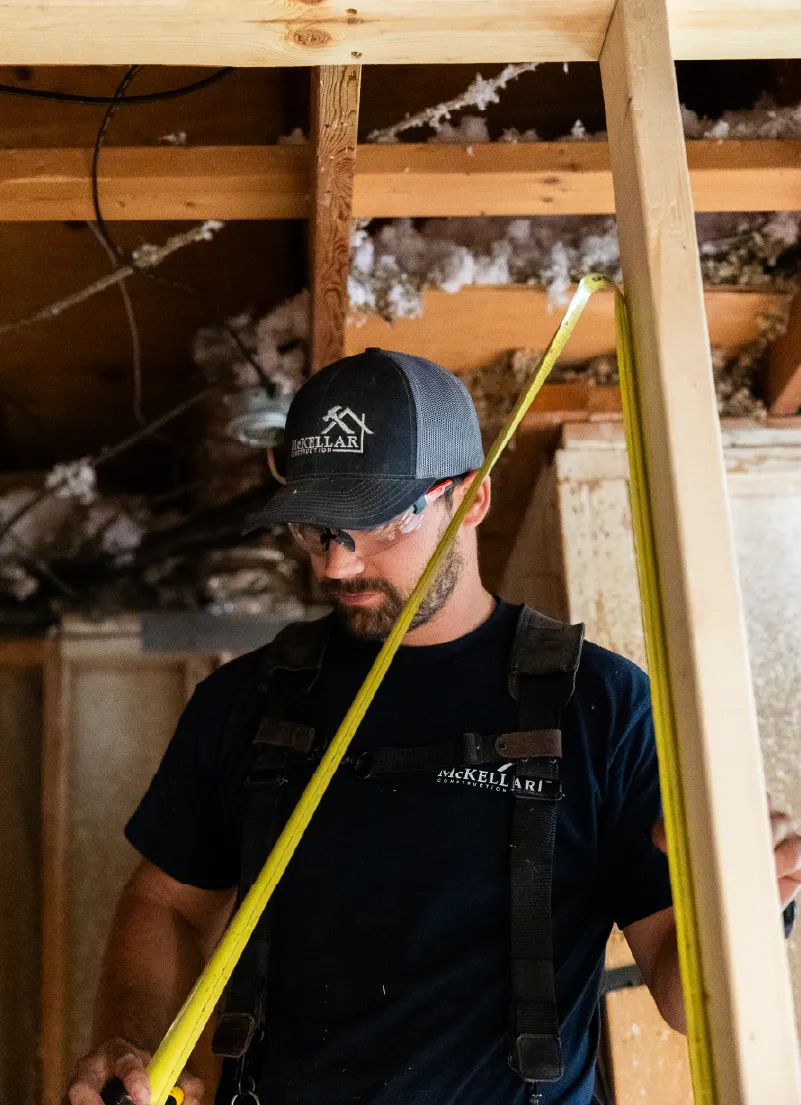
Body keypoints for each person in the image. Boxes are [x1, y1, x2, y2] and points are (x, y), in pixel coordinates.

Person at [67, 349, 801, 1105]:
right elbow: (167, 902)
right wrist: (130, 1035)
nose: (337, 564)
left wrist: (740, 912)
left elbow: (686, 999)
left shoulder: (597, 705)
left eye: (380, 520)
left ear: (473, 496)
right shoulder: (247, 700)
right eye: (317, 527)